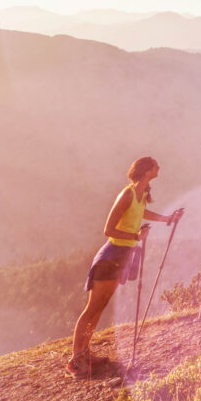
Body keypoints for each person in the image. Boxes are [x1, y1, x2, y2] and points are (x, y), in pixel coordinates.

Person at [69, 156, 182, 376]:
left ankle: (84, 354)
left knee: (100, 307)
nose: (159, 167)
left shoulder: (140, 195)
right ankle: (76, 360)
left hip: (122, 256)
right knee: (92, 308)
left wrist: (167, 219)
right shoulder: (127, 194)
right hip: (110, 255)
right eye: (156, 165)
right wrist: (136, 235)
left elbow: (141, 213)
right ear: (147, 170)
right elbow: (108, 230)